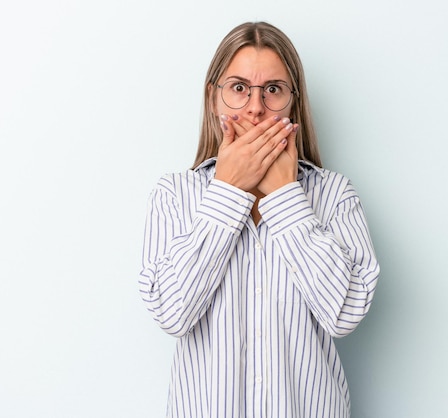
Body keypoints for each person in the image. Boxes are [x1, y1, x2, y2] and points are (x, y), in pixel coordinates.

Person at [139, 21, 380, 418]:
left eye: (272, 89)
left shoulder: (334, 194)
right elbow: (170, 312)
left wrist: (286, 196)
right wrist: (229, 190)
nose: (255, 107)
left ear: (293, 102)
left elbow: (345, 312)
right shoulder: (174, 195)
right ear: (213, 99)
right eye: (238, 88)